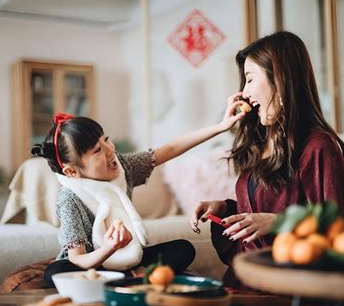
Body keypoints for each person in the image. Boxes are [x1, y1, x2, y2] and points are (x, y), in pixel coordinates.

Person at [189, 31, 344, 289]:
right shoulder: (261, 143)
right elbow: (265, 209)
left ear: (280, 79)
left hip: (290, 288)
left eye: (249, 79)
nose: (243, 92)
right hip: (247, 280)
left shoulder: (318, 147)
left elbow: (342, 228)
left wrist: (278, 222)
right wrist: (224, 209)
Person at [33, 105, 248, 287]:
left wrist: (221, 127)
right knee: (55, 273)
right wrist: (110, 248)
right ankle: (135, 279)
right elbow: (78, 259)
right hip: (90, 264)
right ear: (72, 171)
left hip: (129, 258)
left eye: (106, 140)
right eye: (97, 150)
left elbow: (171, 148)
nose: (110, 150)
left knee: (183, 249)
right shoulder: (69, 198)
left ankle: (128, 278)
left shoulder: (123, 168)